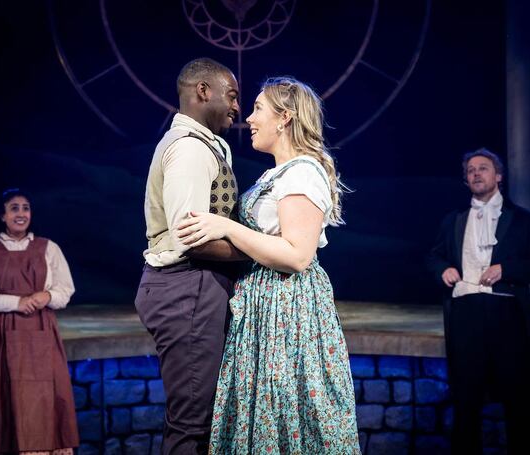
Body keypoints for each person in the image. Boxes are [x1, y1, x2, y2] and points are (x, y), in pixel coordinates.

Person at [177, 77, 361, 454]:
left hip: (287, 309)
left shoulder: (302, 173)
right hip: (265, 304)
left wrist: (226, 226)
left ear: (285, 118)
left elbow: (296, 255)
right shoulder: (277, 173)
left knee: (286, 412)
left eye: (259, 108)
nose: (250, 118)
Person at [134, 57, 245, 454]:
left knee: (199, 417)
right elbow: (191, 238)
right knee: (192, 423)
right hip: (187, 286)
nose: (237, 107)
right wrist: (260, 252)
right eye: (232, 96)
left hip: (194, 288)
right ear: (203, 91)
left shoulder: (205, 146)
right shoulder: (190, 150)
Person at [426, 149, 530, 454]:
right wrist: (443, 268)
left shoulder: (523, 220)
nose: (476, 174)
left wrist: (506, 269)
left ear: (498, 176)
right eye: (470, 170)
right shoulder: (454, 220)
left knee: (516, 402)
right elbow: (434, 256)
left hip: (506, 312)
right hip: (466, 313)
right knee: (466, 401)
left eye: (483, 169)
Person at [0, 188, 79, 455]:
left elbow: (65, 290)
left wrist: (46, 294)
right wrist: (16, 302)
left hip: (39, 331)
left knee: (41, 395)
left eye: (25, 208)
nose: (21, 213)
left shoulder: (48, 247)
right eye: (14, 208)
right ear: (2, 215)